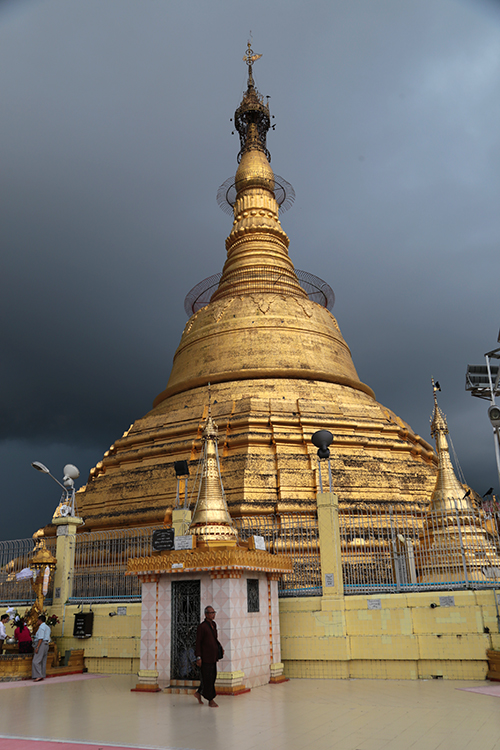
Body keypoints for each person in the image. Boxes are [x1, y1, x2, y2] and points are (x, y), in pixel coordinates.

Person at [195, 605, 223, 708]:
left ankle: (199, 693)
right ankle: (211, 699)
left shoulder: (213, 625)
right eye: (211, 613)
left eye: (214, 612)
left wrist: (219, 647)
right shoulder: (202, 627)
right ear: (206, 614)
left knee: (212, 676)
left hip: (213, 656)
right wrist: (198, 657)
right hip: (205, 657)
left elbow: (214, 639)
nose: (213, 614)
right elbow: (198, 643)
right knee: (208, 678)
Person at [32, 615, 51, 681]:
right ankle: (42, 674)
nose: (37, 621)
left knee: (36, 661)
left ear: (40, 620)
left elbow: (41, 638)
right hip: (46, 644)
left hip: (41, 644)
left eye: (37, 620)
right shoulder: (47, 627)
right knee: (43, 660)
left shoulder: (41, 627)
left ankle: (38, 675)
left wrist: (37, 647)